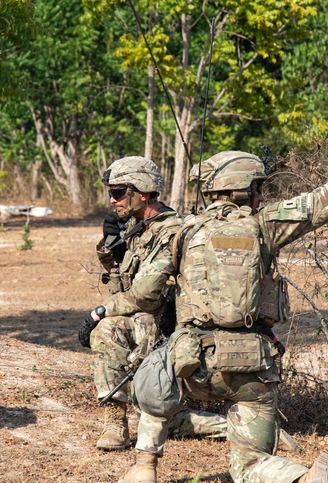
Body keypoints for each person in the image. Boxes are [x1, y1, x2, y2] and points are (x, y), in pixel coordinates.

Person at [118, 134, 328, 483]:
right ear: (246, 188)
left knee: (156, 370)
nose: (262, 195)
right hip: (253, 369)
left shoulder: (182, 232)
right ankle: (304, 481)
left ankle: (145, 466)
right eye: (259, 187)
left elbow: (143, 294)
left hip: (195, 367)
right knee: (250, 465)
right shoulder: (265, 226)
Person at [81, 157, 238, 450]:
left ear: (141, 191)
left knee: (109, 331)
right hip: (146, 325)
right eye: (111, 193)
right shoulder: (140, 228)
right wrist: (111, 254)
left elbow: (145, 295)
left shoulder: (170, 231)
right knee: (151, 411)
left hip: (169, 330)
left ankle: (240, 427)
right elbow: (123, 289)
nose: (113, 200)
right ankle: (115, 423)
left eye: (118, 192)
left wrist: (100, 312)